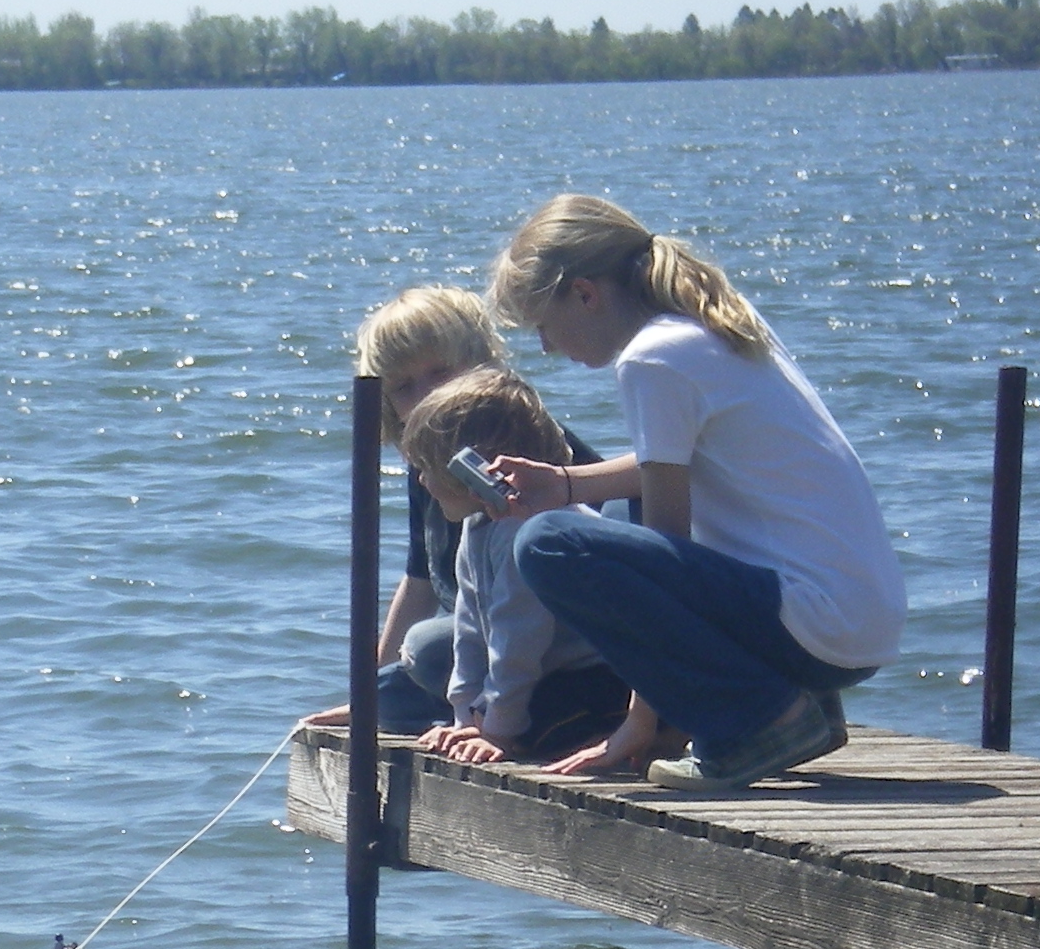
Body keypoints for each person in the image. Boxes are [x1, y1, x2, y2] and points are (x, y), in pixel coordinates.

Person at [484, 196, 903, 791]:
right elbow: (675, 468)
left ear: (584, 294)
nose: (547, 346)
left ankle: (762, 722)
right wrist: (566, 483)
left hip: (815, 623)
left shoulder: (651, 359)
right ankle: (793, 702)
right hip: (857, 621)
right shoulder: (712, 328)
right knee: (594, 518)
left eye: (542, 326)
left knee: (548, 543)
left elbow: (666, 546)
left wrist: (641, 722)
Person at [304, 284, 614, 738]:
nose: (426, 395)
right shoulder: (427, 467)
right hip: (486, 640)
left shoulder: (529, 454)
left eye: (441, 373)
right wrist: (366, 696)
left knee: (426, 650)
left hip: (566, 644)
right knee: (387, 692)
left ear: (482, 366)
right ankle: (466, 713)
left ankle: (538, 717)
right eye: (404, 387)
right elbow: (421, 579)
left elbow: (531, 614)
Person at [398, 369, 631, 766]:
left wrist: (497, 733)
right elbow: (471, 630)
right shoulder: (480, 524)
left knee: (537, 735)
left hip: (601, 675)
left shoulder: (526, 530)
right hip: (549, 671)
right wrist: (464, 718)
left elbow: (517, 641)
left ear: (472, 469)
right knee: (417, 687)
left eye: (429, 468)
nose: (421, 480)